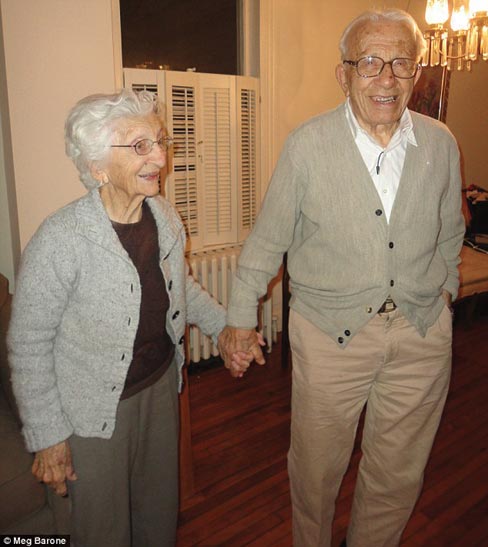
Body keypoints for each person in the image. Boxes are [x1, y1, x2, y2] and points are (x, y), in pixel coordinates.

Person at [219, 8, 465, 547]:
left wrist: (446, 292)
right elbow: (267, 239)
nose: (386, 78)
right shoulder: (307, 145)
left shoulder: (441, 143)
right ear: (344, 73)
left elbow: (451, 232)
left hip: (421, 332)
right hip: (329, 334)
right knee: (316, 468)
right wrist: (239, 318)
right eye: (370, 62)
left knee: (398, 472)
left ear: (416, 73)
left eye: (401, 63)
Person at [7, 89, 242, 547]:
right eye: (140, 146)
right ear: (97, 167)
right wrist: (48, 435)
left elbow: (181, 291)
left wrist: (226, 328)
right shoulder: (62, 238)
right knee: (101, 529)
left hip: (158, 385)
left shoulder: (164, 217)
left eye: (159, 141)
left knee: (157, 514)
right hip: (91, 409)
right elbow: (28, 342)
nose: (159, 156)